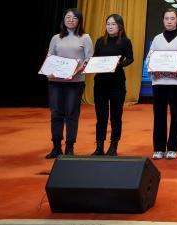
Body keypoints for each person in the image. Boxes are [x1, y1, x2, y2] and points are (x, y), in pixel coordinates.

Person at [44, 8, 93, 158]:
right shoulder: (56, 38)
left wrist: (77, 70)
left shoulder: (85, 37)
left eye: (74, 18)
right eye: (68, 17)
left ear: (79, 21)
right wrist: (47, 70)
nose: (71, 20)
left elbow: (89, 59)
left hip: (75, 82)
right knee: (56, 113)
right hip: (56, 81)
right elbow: (50, 56)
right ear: (63, 20)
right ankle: (56, 146)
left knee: (71, 113)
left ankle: (70, 147)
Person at [147, 8, 177, 160]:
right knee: (159, 115)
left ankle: (173, 147)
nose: (169, 21)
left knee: (176, 115)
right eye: (166, 18)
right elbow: (149, 59)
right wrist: (154, 64)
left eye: (172, 18)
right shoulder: (157, 39)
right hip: (159, 82)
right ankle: (159, 148)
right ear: (163, 20)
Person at [89, 14, 134, 156]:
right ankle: (99, 146)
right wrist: (92, 64)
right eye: (108, 24)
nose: (110, 26)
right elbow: (95, 58)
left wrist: (118, 64)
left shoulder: (125, 42)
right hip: (100, 83)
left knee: (115, 116)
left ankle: (113, 146)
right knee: (101, 116)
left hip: (117, 83)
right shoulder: (100, 41)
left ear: (120, 26)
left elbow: (130, 59)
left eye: (113, 24)